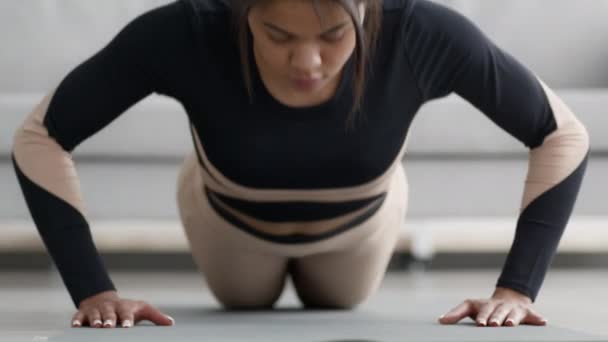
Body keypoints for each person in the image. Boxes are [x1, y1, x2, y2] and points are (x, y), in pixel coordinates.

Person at [11, 0, 589, 330]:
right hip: (227, 223)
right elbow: (41, 136)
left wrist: (517, 290)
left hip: (360, 225)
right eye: (278, 34)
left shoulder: (419, 31)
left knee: (335, 304)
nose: (308, 60)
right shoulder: (187, 30)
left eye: (335, 34)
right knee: (247, 304)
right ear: (242, 15)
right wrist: (92, 292)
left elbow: (561, 134)